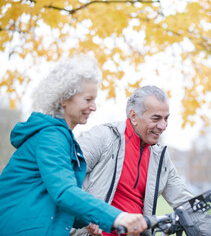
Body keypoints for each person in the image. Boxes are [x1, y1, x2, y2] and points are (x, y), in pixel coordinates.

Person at [0, 55, 146, 236]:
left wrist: (85, 220)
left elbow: (50, 194)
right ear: (64, 99)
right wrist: (117, 217)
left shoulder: (61, 137)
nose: (94, 107)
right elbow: (63, 191)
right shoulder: (51, 137)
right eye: (88, 100)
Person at [72, 86, 194, 236]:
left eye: (166, 118)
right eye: (156, 118)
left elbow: (186, 203)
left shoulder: (160, 158)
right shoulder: (102, 138)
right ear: (134, 116)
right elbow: (63, 180)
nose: (163, 126)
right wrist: (85, 219)